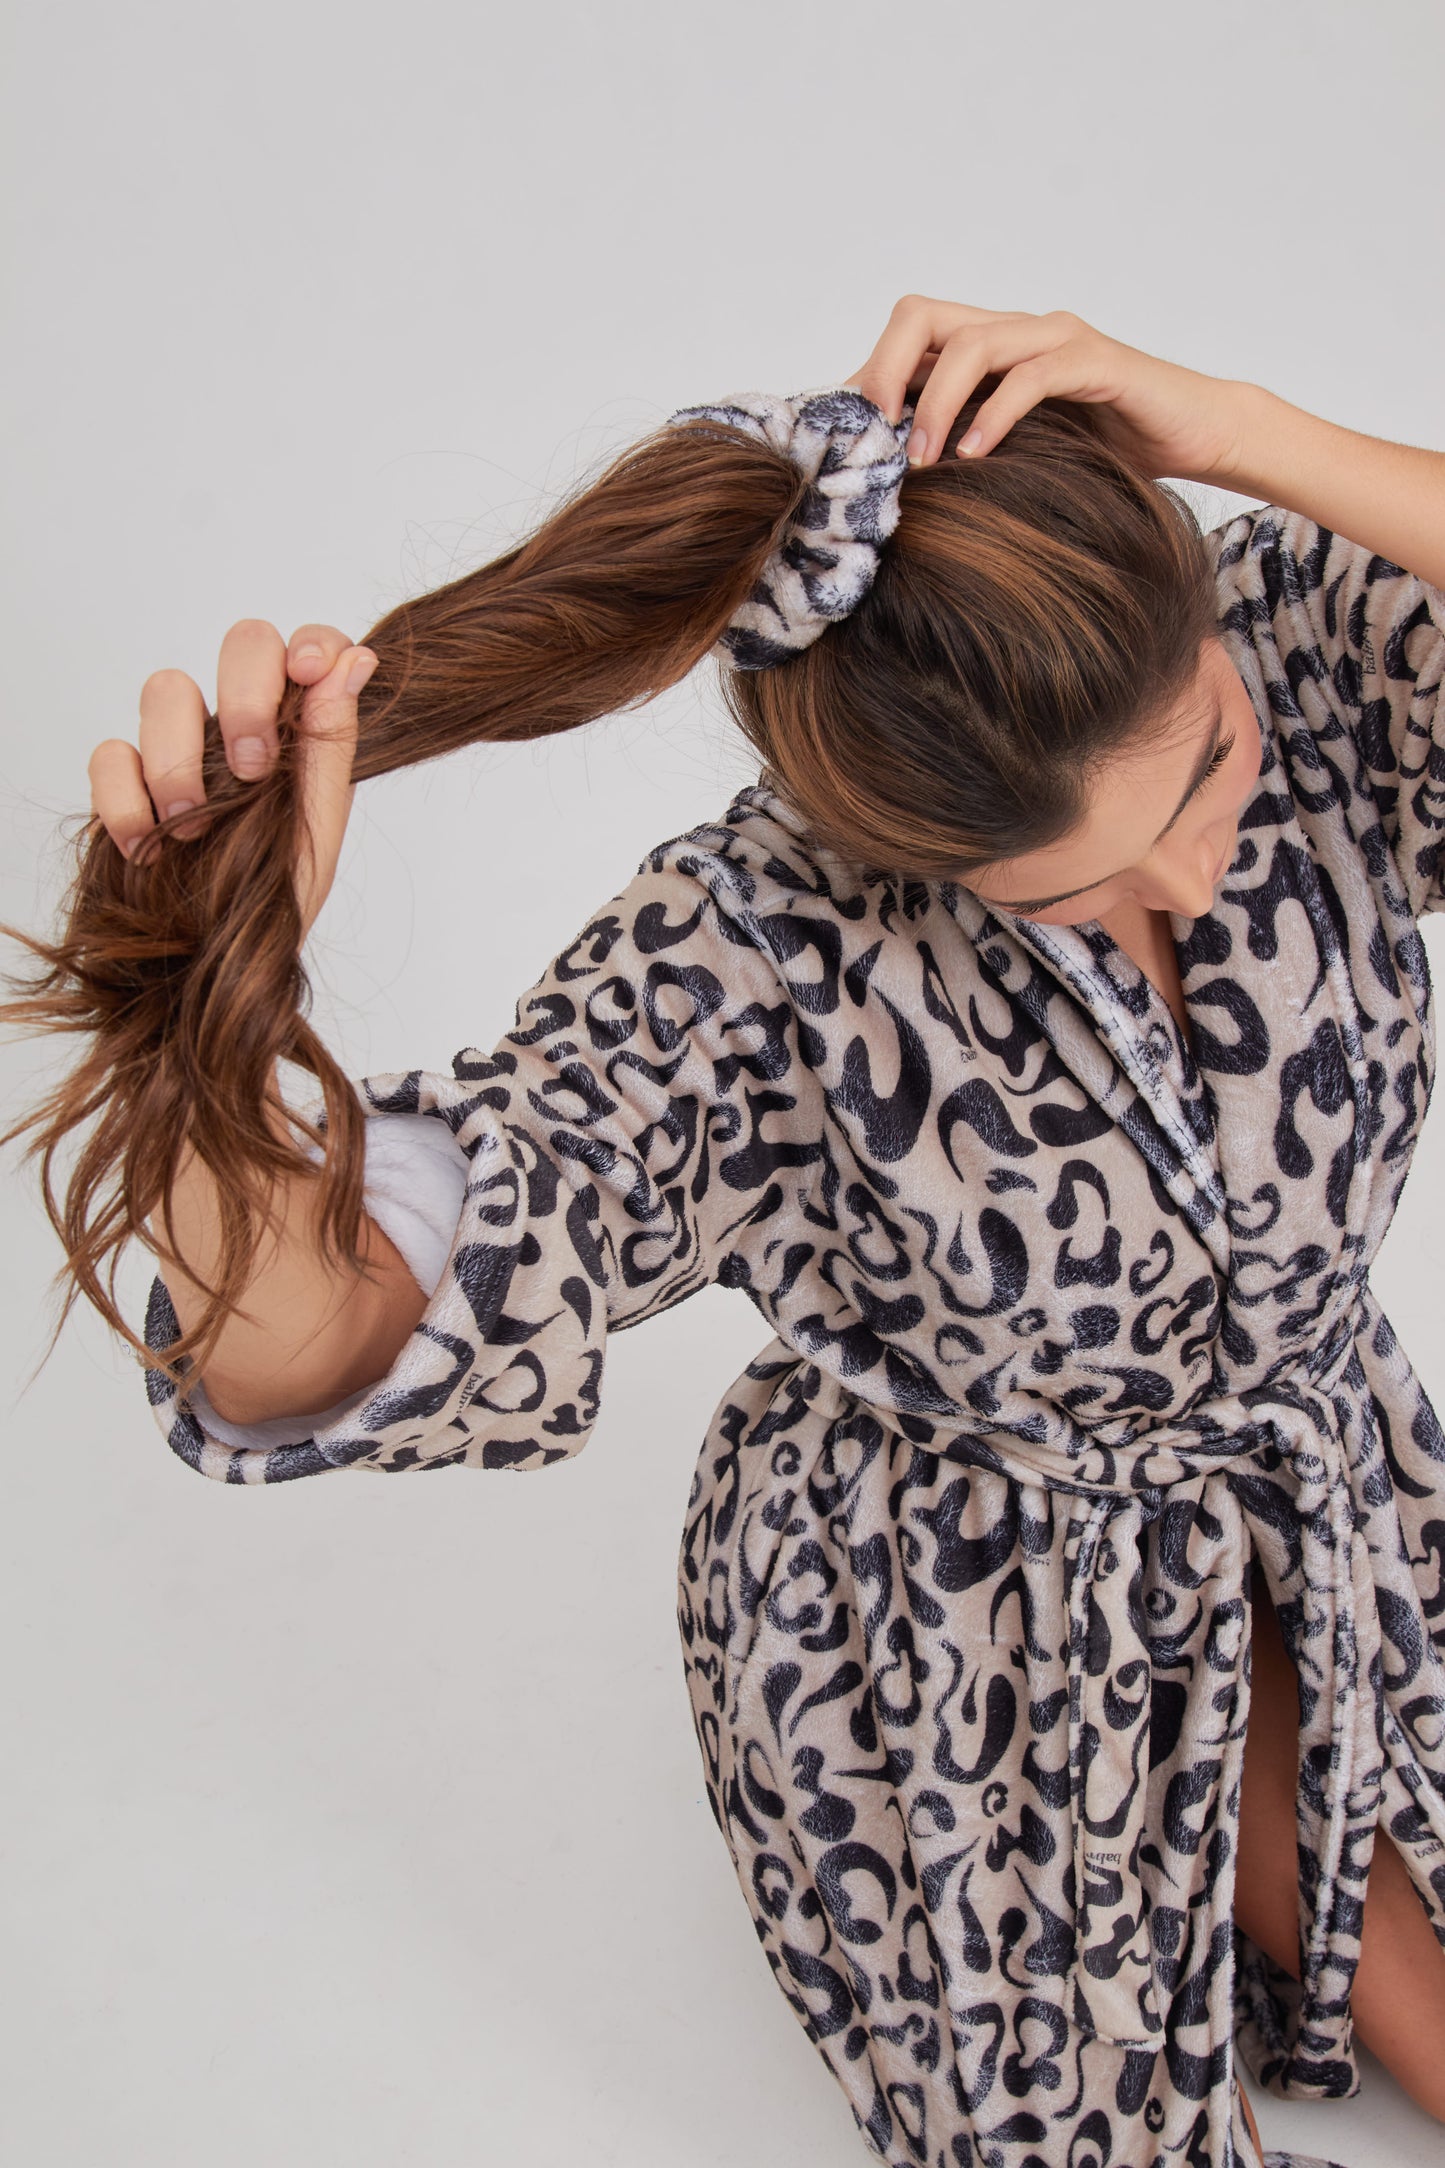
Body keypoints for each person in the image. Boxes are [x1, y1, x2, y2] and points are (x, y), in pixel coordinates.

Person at [6, 295, 1445, 2168]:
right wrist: (205, 1024)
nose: (1190, 870)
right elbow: (320, 1338)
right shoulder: (747, 959)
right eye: (1084, 883)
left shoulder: (1304, 646)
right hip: (964, 1600)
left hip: (1324, 1473)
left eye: (1209, 762)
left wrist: (1243, 428)